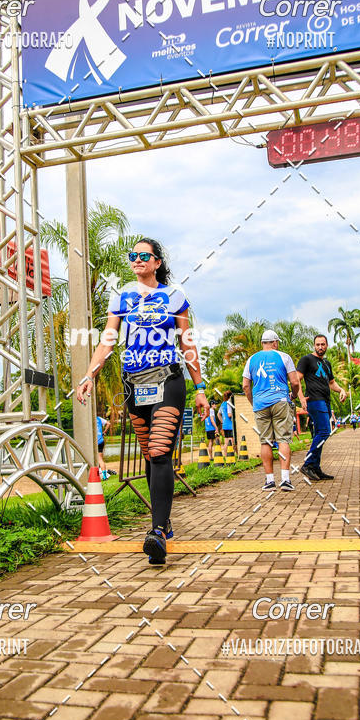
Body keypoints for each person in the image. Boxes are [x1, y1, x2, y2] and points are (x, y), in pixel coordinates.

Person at [76, 238, 209, 566]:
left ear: (157, 262)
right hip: (134, 384)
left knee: (161, 453)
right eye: (132, 256)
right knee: (150, 456)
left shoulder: (174, 296)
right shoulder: (121, 296)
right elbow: (108, 340)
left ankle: (157, 531)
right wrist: (89, 374)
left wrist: (200, 387)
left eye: (143, 256)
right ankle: (163, 523)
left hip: (168, 380)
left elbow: (186, 341)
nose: (136, 260)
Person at [242, 329, 302, 492]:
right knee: (283, 439)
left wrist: (253, 402)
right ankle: (285, 480)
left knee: (266, 441)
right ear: (275, 342)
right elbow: (295, 382)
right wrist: (294, 396)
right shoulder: (284, 357)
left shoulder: (251, 359)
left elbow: (245, 386)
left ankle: (269, 481)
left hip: (260, 404)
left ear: (262, 343)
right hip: (280, 401)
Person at [297, 334, 347, 481]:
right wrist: (300, 397)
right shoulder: (306, 360)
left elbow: (332, 383)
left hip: (325, 401)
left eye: (323, 344)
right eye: (318, 344)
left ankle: (315, 467)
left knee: (320, 433)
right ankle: (308, 464)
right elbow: (296, 379)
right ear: (314, 345)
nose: (320, 347)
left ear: (327, 345)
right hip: (314, 400)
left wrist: (342, 390)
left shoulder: (326, 363)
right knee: (325, 431)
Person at [218, 391, 235, 459]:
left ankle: (225, 456)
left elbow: (218, 414)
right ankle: (231, 456)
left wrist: (222, 422)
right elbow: (229, 414)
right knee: (232, 442)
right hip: (230, 425)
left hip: (225, 425)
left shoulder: (222, 404)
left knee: (226, 442)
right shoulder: (228, 403)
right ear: (230, 396)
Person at [96, 410, 110, 479]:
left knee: (97, 459)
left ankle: (103, 476)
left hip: (94, 441)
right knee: (100, 458)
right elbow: (108, 423)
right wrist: (104, 431)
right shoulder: (99, 418)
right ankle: (101, 474)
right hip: (101, 440)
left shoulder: (89, 420)